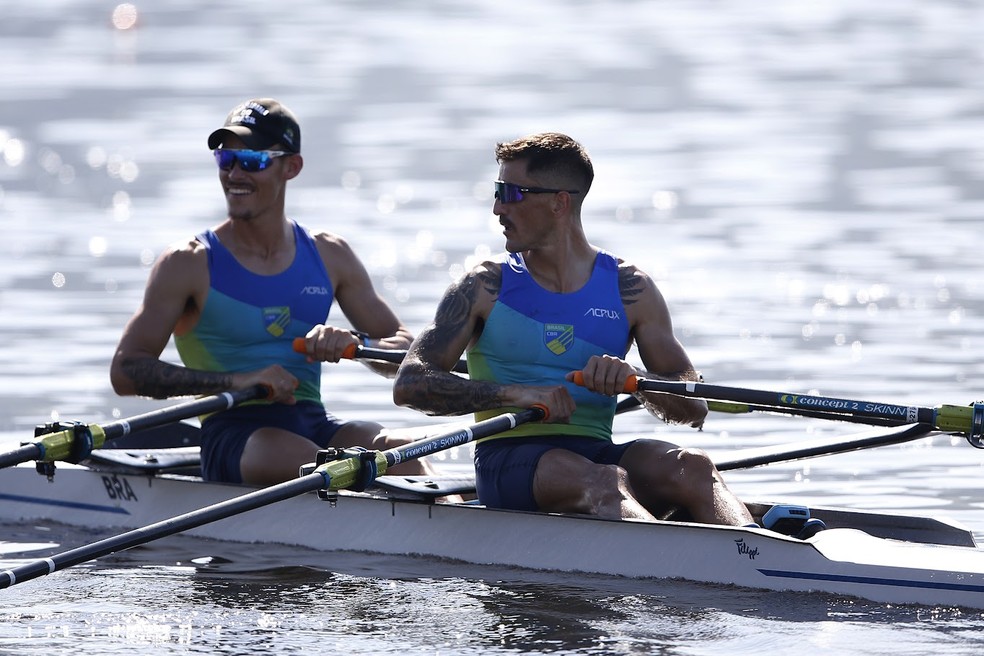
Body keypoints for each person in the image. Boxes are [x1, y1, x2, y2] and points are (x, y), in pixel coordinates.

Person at [392, 132, 754, 525]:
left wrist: (636, 380)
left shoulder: (630, 289)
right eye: (496, 192)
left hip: (595, 452)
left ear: (559, 202)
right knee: (604, 481)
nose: (497, 208)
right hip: (510, 461)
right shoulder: (483, 286)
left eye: (510, 193)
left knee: (694, 468)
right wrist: (517, 394)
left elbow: (693, 407)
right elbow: (410, 383)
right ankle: (661, 566)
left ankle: (759, 556)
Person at [110, 97, 430, 486]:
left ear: (290, 167)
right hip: (236, 436)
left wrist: (355, 342)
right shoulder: (188, 263)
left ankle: (459, 525)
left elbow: (407, 355)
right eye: (226, 160)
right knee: (328, 468)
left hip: (313, 424)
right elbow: (126, 371)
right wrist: (237, 381)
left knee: (406, 452)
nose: (235, 174)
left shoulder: (330, 255)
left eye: (253, 161)